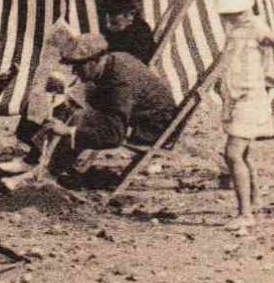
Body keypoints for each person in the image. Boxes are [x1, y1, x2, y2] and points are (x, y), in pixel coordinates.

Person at [11, 29, 178, 181]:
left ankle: (49, 172)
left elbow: (113, 136)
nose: (75, 72)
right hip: (142, 117)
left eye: (78, 66)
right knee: (70, 107)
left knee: (79, 118)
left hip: (153, 129)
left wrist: (68, 131)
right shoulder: (114, 60)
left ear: (95, 61)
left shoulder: (120, 84)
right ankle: (40, 161)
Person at [206, 0, 274, 232]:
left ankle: (245, 213)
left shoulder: (257, 28)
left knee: (233, 154)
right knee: (244, 154)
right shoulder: (233, 31)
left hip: (251, 98)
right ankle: (253, 199)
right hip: (235, 97)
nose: (231, 17)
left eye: (235, 13)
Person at [98, 0, 158, 66]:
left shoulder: (140, 34)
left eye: (113, 20)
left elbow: (135, 63)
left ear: (130, 14)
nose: (108, 24)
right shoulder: (124, 31)